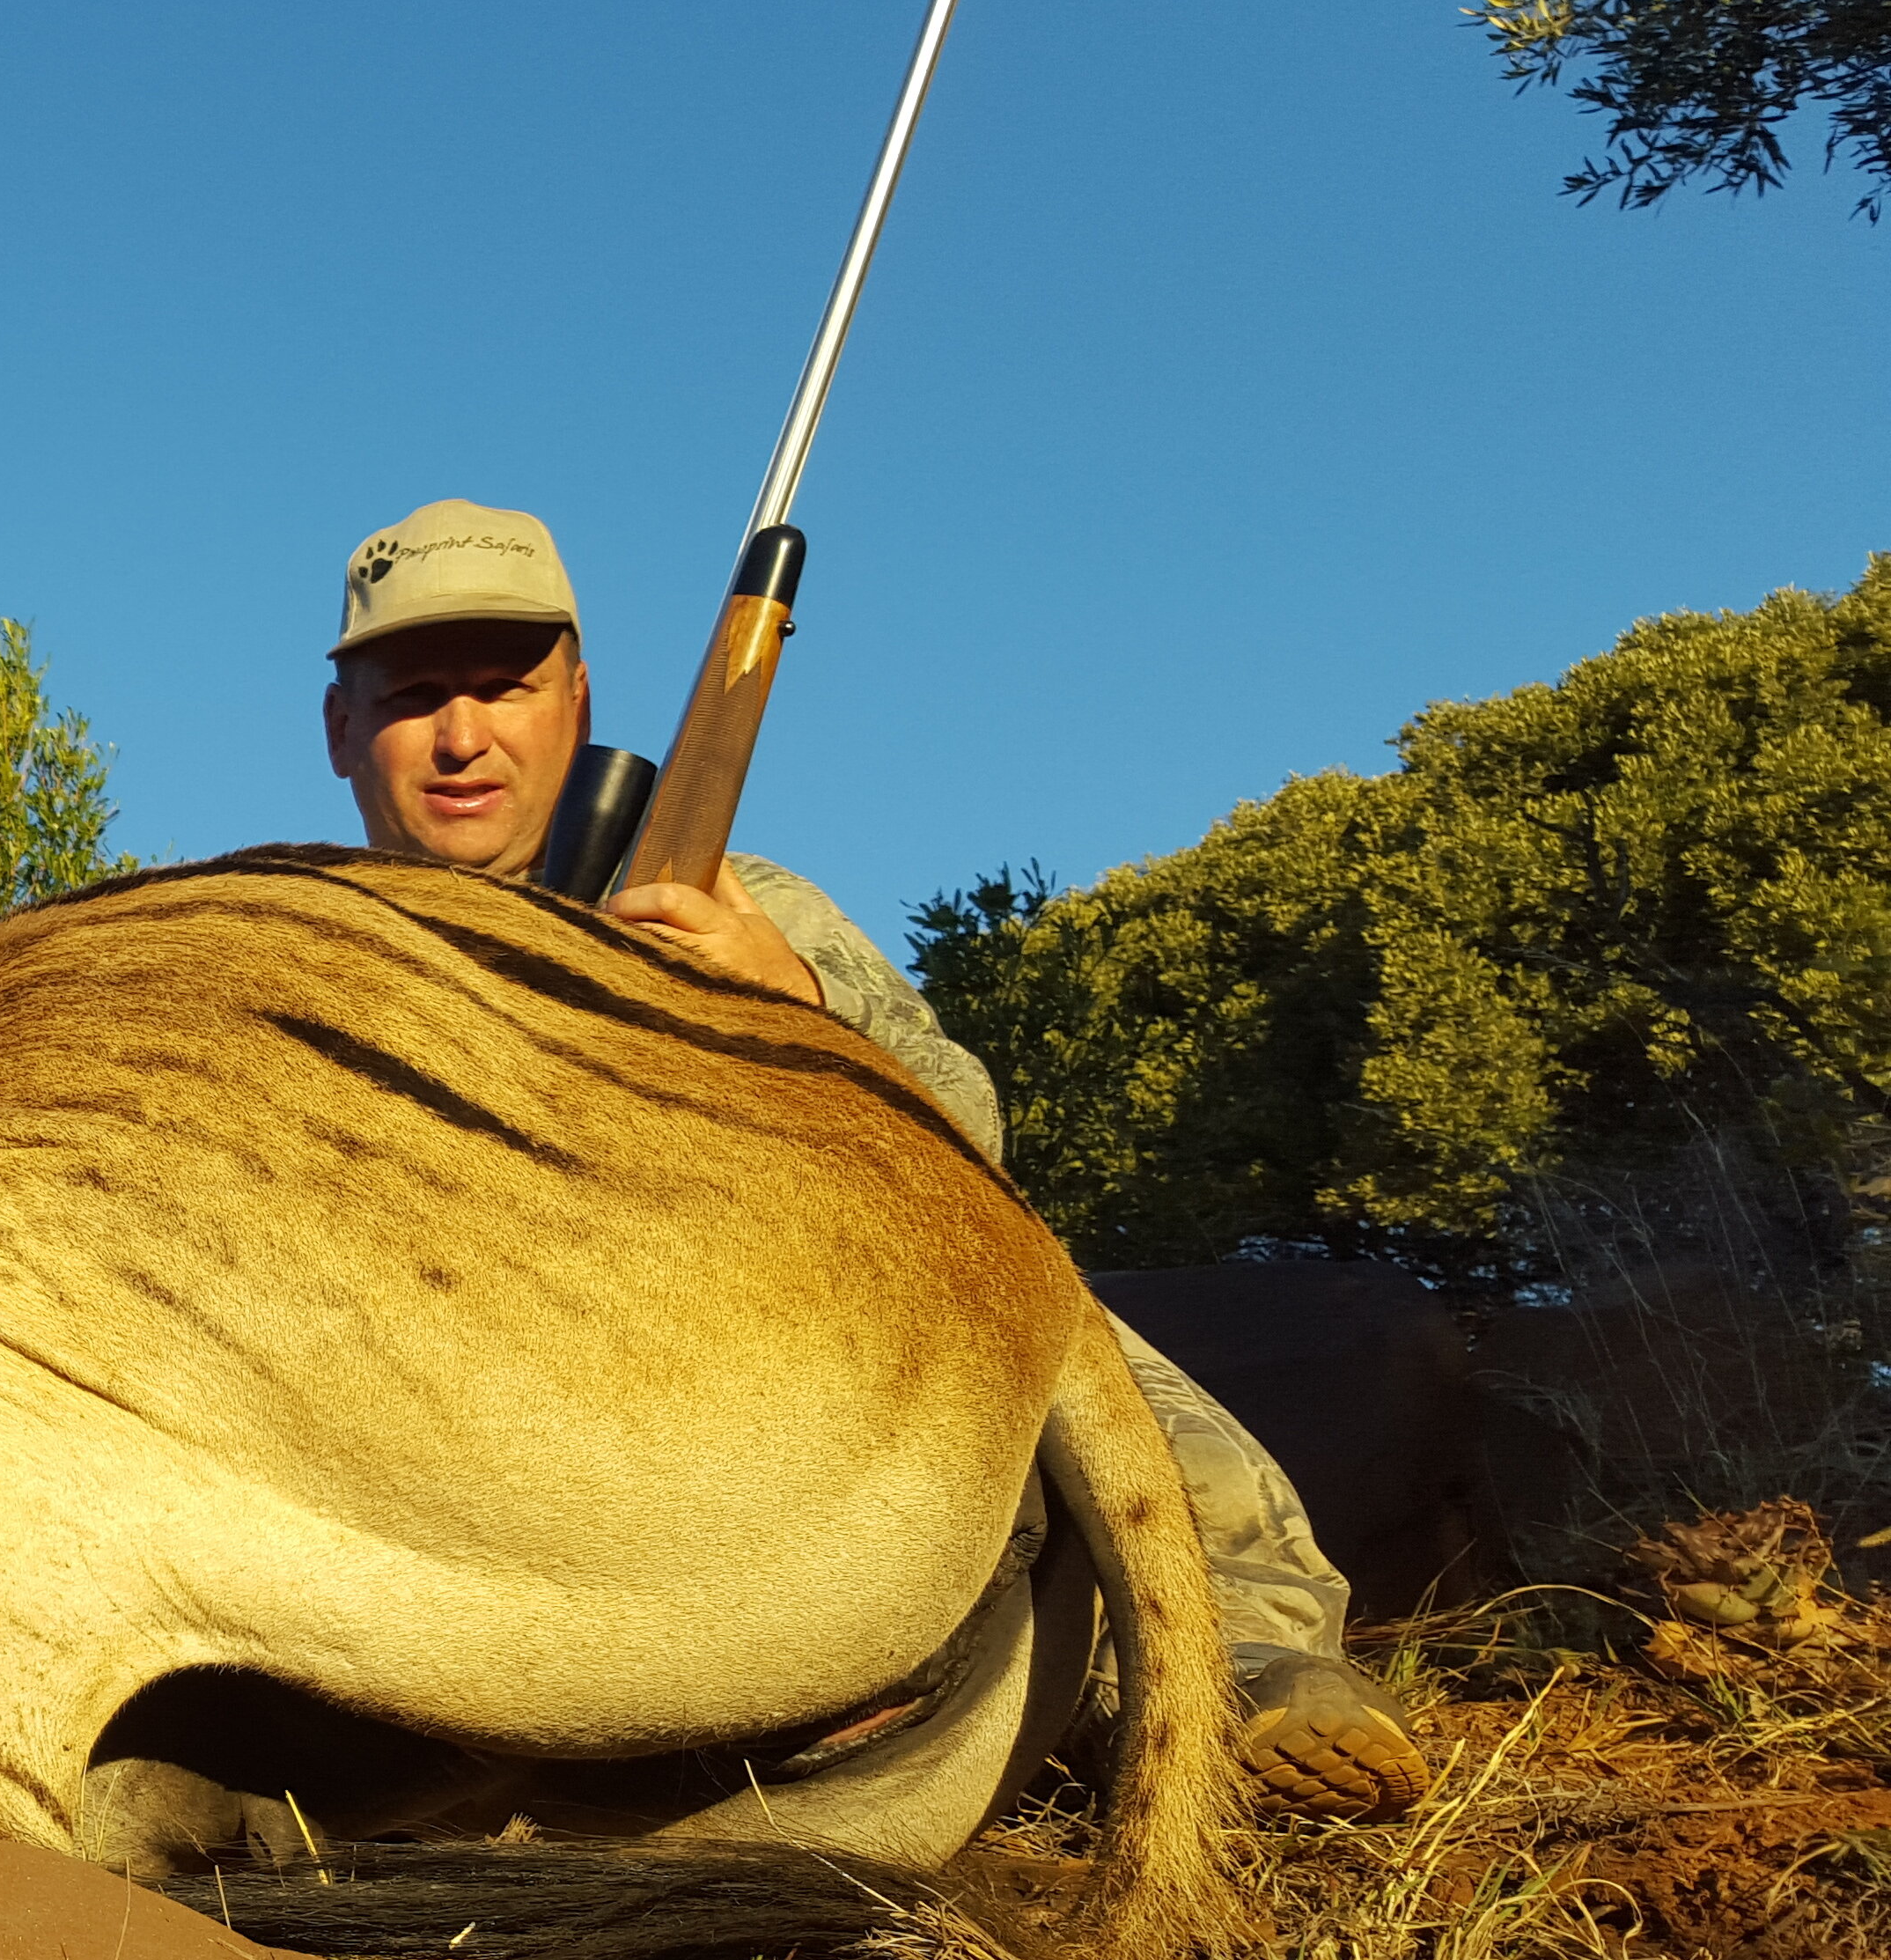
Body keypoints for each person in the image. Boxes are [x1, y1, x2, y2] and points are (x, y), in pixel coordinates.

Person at [320, 497, 1428, 1823]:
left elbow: (972, 1142)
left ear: (577, 700)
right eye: (413, 696)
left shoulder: (751, 903)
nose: (461, 736)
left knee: (1042, 1315)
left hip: (768, 1326)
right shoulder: (297, 949)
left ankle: (1239, 1661)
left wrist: (797, 1004)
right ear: (342, 731)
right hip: (472, 1360)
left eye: (502, 688)